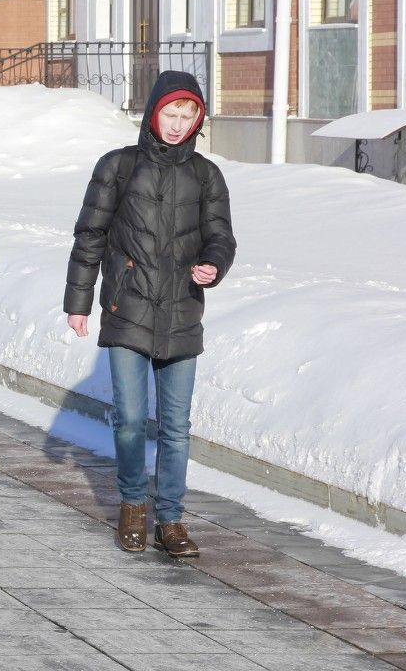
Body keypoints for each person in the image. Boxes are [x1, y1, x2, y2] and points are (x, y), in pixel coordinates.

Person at [64, 70, 236, 559]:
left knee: (176, 427)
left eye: (187, 116)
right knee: (131, 420)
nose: (178, 125)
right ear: (153, 112)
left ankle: (171, 520)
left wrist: (213, 264)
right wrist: (78, 302)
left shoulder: (206, 175)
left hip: (182, 310)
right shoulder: (118, 166)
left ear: (198, 120)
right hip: (128, 308)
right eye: (170, 113)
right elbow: (90, 236)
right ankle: (134, 506)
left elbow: (221, 236)